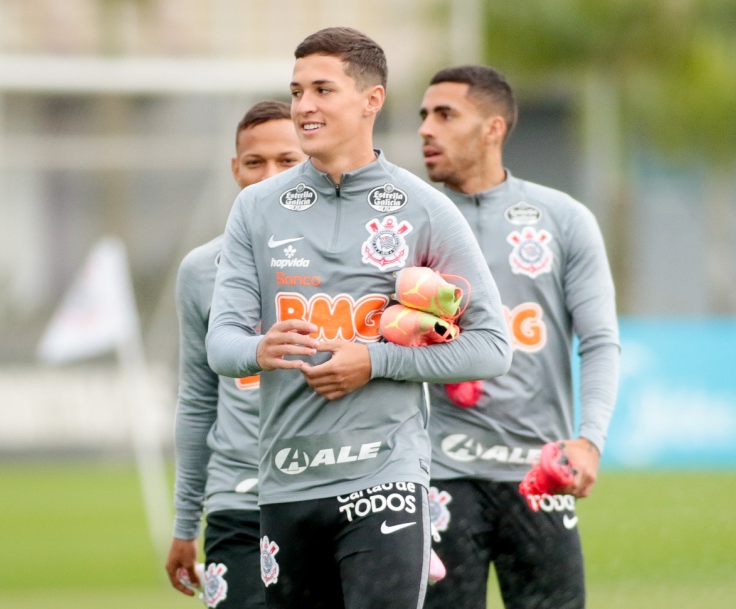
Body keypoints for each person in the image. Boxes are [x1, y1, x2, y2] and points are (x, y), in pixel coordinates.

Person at [206, 27, 511, 609]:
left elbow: (492, 347)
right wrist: (260, 349)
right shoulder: (256, 207)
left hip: (386, 479)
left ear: (372, 100)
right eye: (296, 92)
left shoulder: (423, 207)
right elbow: (221, 346)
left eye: (322, 89)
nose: (304, 106)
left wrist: (374, 359)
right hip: (288, 480)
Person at [418, 65, 620, 609]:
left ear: (493, 128)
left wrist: (590, 439)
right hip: (437, 469)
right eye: (423, 116)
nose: (425, 130)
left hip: (539, 472)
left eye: (445, 115)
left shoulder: (562, 218)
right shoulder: (407, 220)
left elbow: (599, 340)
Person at [164, 100, 307, 609]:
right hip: (238, 501)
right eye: (255, 162)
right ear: (235, 169)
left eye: (287, 161)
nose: (269, 176)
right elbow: (198, 400)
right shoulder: (202, 270)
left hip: (330, 494)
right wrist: (185, 523)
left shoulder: (349, 255)